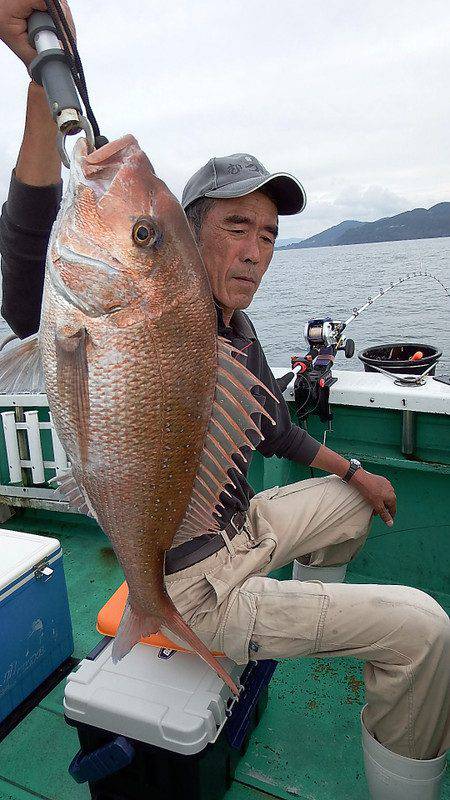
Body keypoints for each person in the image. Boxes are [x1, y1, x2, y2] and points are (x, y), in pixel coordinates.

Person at [0, 4, 448, 798]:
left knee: (354, 505)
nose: (254, 251)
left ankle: (293, 624)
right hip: (194, 588)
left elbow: (273, 427)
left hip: (240, 530)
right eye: (237, 226)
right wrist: (42, 85)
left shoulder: (237, 331)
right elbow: (30, 245)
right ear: (188, 231)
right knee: (426, 630)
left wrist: (354, 468)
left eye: (270, 234)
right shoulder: (140, 316)